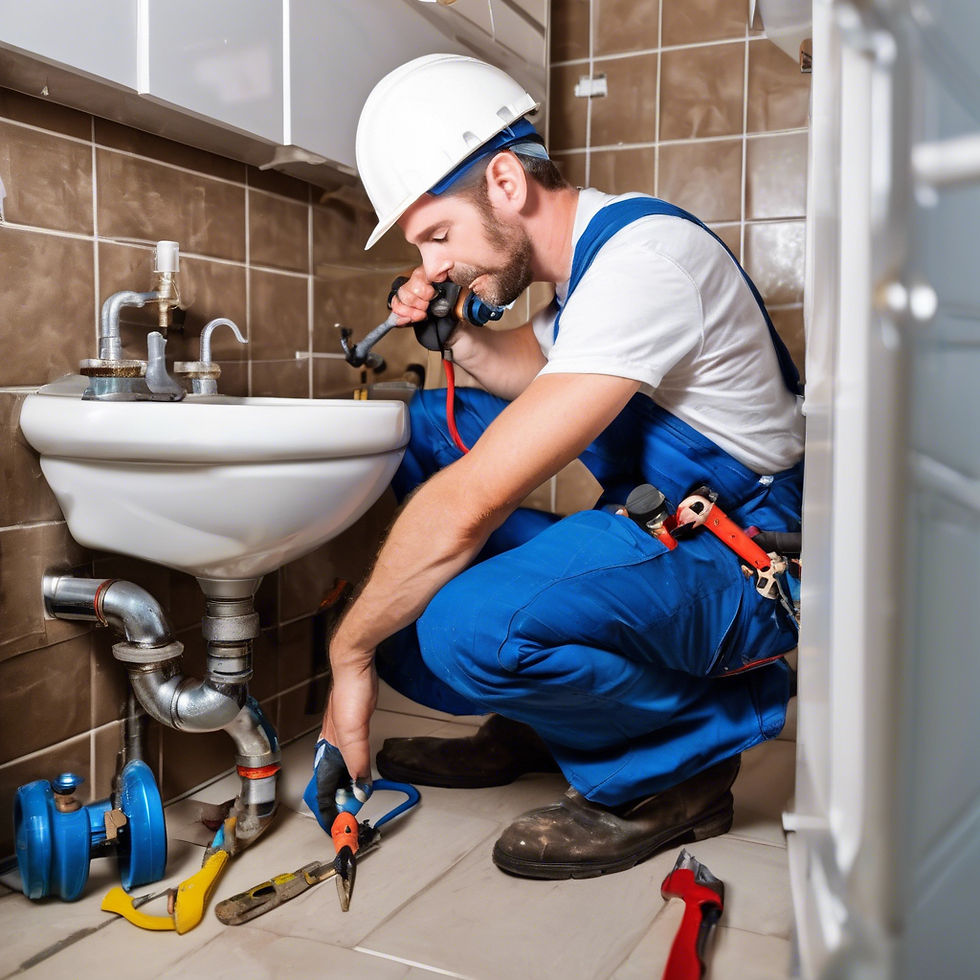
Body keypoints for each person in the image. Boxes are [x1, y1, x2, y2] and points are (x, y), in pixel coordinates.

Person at [306, 53, 804, 880]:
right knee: (423, 431)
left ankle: (680, 764)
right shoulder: (584, 273)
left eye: (437, 237)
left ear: (505, 182)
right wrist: (454, 332)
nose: (431, 266)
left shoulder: (643, 262)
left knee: (453, 628)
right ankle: (552, 716)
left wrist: (346, 656)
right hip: (662, 531)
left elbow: (473, 497)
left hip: (742, 562)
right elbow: (523, 373)